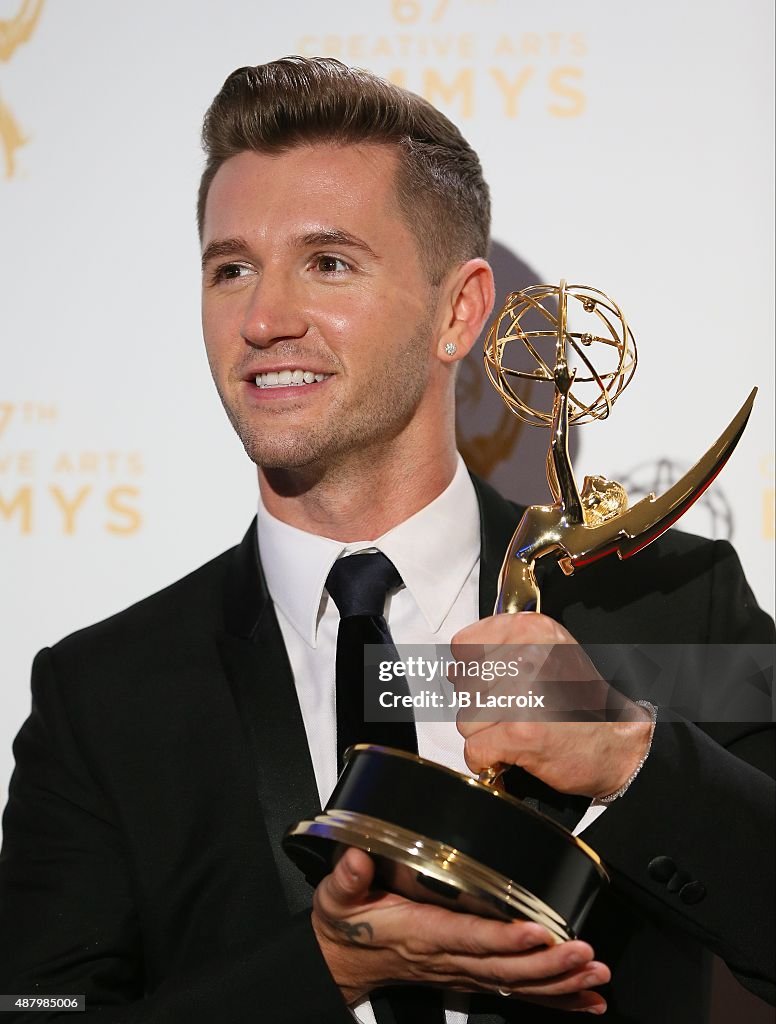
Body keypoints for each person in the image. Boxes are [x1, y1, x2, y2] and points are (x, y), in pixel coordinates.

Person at [0, 57, 773, 1024]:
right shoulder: (105, 694)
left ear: (460, 310)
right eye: (230, 268)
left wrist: (630, 757)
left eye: (328, 262)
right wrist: (327, 965)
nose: (264, 319)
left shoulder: (669, 608)